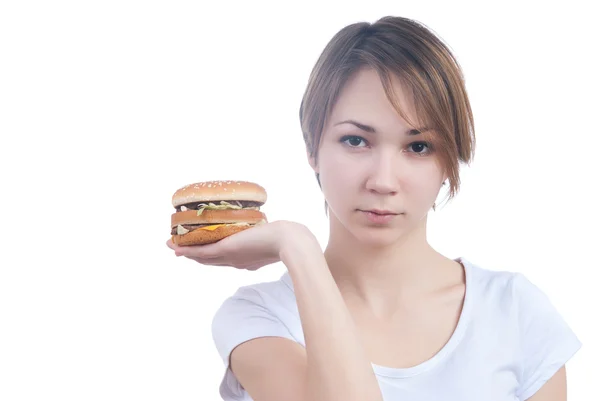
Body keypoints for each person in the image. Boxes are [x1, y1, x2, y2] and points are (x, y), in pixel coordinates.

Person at [166, 15, 582, 401]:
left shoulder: (516, 312)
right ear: (312, 147)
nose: (383, 180)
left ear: (449, 160)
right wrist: (299, 249)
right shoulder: (259, 317)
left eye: (418, 147)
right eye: (356, 140)